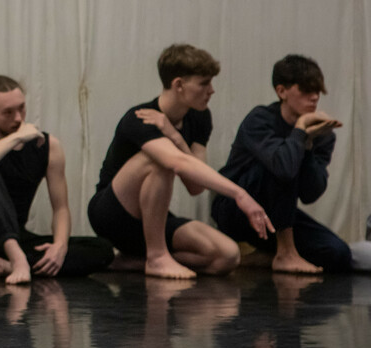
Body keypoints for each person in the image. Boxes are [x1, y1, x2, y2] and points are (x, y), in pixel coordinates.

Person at [87, 44, 273, 279]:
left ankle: (135, 261)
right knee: (160, 161)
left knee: (227, 256)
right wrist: (240, 194)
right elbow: (176, 163)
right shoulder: (141, 117)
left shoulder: (199, 117)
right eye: (204, 83)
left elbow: (196, 186)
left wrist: (175, 137)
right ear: (178, 85)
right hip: (112, 214)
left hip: (152, 220)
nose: (212, 90)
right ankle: (156, 258)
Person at [0, 75, 113, 283]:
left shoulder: (48, 146)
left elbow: (61, 208)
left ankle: (12, 264)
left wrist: (60, 246)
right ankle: (18, 259)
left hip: (12, 237)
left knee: (102, 250)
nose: (18, 118)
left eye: (21, 108)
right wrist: (16, 137)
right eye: (8, 112)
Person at [211, 54, 351, 273]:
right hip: (235, 209)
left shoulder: (323, 134)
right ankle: (285, 253)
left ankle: (264, 257)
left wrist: (308, 145)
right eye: (306, 90)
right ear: (282, 91)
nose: (314, 98)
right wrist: (300, 131)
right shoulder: (259, 119)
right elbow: (284, 168)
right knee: (282, 164)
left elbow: (310, 193)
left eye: (317, 92)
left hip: (276, 215)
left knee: (337, 253)